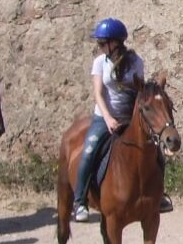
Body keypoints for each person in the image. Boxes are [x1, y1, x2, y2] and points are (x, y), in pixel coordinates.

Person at [73, 17, 174, 223]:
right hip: (105, 117)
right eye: (99, 43)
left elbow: (141, 92)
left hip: (130, 117)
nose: (100, 47)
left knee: (156, 154)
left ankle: (159, 196)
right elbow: (99, 94)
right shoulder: (99, 63)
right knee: (89, 151)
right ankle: (80, 200)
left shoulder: (136, 62)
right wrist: (108, 119)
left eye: (102, 43)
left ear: (115, 42)